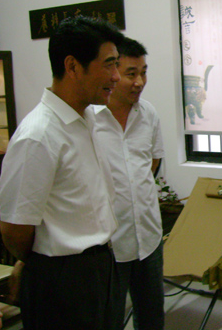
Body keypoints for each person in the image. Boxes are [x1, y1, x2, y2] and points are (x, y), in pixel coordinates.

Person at [0, 16, 123, 330]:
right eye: (109, 64)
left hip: (101, 266)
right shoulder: (38, 136)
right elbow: (14, 229)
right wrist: (45, 260)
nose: (117, 76)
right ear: (72, 66)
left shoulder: (88, 119)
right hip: (62, 279)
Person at [94, 37, 165, 330]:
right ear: (112, 72)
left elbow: (153, 162)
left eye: (144, 73)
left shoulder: (148, 114)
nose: (139, 82)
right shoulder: (89, 119)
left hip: (149, 236)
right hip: (110, 243)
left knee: (152, 316)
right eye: (131, 74)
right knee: (109, 318)